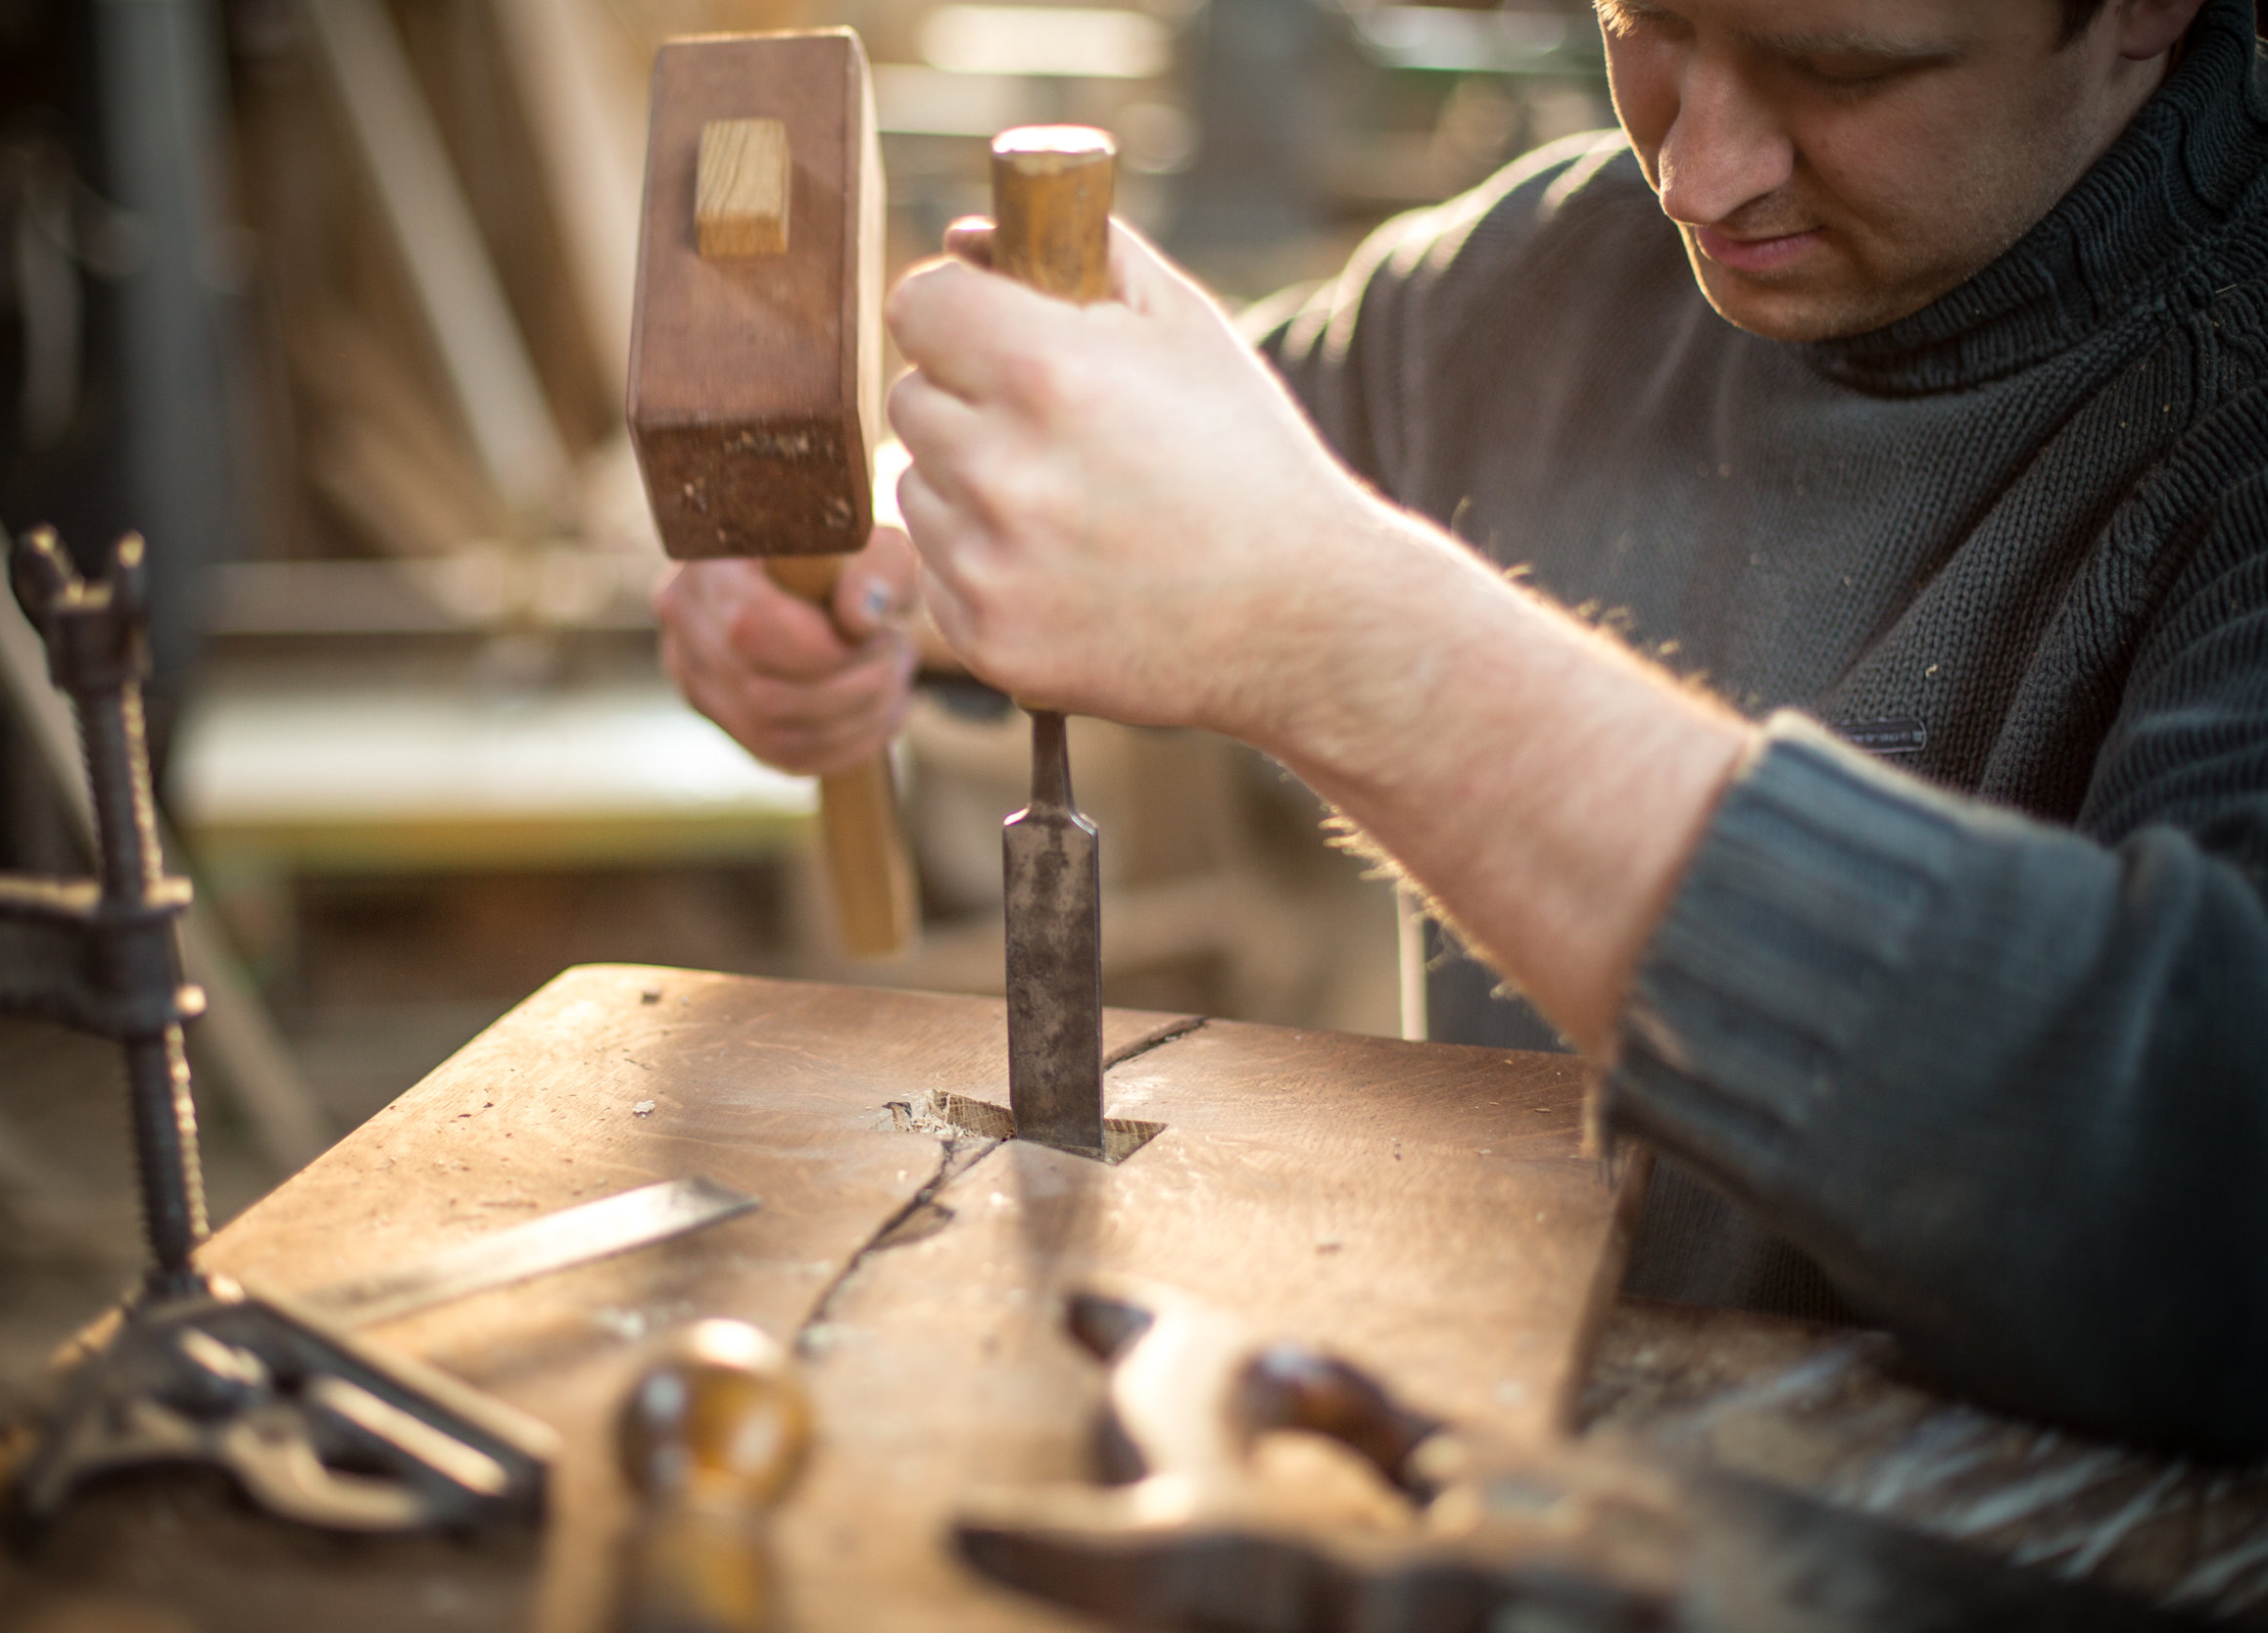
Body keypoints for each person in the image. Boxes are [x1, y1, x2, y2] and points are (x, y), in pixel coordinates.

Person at [656, 0, 2268, 1458]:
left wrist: (1353, 642)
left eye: (1841, 68)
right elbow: (1129, 500)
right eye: (1650, 24)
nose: (1699, 173)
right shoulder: (1537, 282)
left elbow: (2206, 1185)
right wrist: (851, 569)